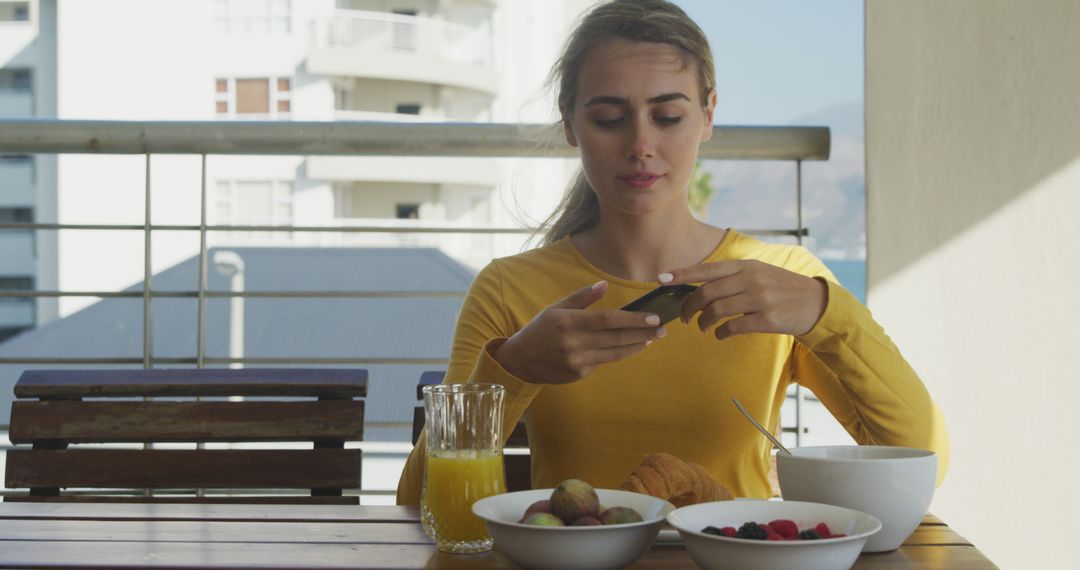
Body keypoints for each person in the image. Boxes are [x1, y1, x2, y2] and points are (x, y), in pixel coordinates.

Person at [397, 0, 948, 505]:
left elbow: (925, 462)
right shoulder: (509, 289)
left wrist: (827, 315)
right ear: (570, 124)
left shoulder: (782, 280)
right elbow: (420, 502)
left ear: (708, 115)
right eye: (609, 118)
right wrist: (514, 368)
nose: (640, 144)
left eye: (668, 117)